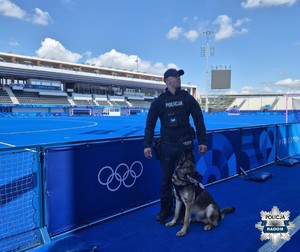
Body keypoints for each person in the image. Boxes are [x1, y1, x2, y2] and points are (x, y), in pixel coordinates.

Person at [143, 68, 207, 223]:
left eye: (179, 76)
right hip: (166, 147)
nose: (179, 78)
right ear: (167, 80)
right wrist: (147, 144)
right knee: (166, 180)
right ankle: (165, 210)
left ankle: (185, 211)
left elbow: (199, 119)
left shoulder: (187, 98)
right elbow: (150, 124)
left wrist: (203, 141)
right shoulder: (159, 101)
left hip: (185, 147)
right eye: (176, 76)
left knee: (188, 180)